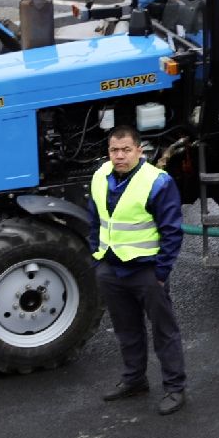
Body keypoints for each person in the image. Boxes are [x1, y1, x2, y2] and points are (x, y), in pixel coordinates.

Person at [87, 125, 188, 415]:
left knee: (164, 331)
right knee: (126, 330)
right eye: (114, 150)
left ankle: (175, 388)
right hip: (111, 270)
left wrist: (160, 273)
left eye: (125, 150)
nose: (119, 156)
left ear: (139, 151)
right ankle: (135, 380)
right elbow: (95, 221)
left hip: (146, 273)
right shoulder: (100, 177)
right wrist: (98, 260)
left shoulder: (157, 182)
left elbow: (172, 231)